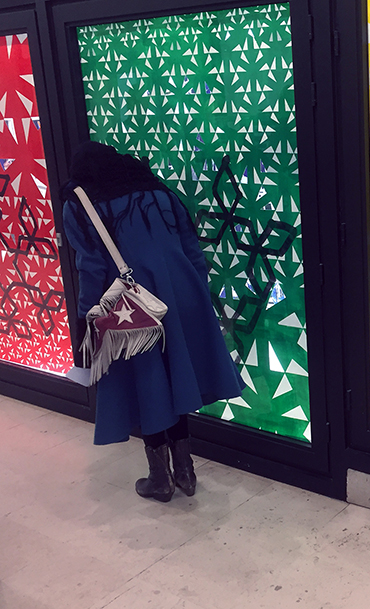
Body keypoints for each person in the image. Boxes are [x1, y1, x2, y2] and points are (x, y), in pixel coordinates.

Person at [61, 141, 245, 503]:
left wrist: (86, 317)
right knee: (176, 376)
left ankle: (161, 479)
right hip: (183, 293)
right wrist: (196, 296)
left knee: (149, 384)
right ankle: (186, 472)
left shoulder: (80, 204)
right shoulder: (158, 191)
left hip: (133, 306)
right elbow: (192, 248)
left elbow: (92, 268)